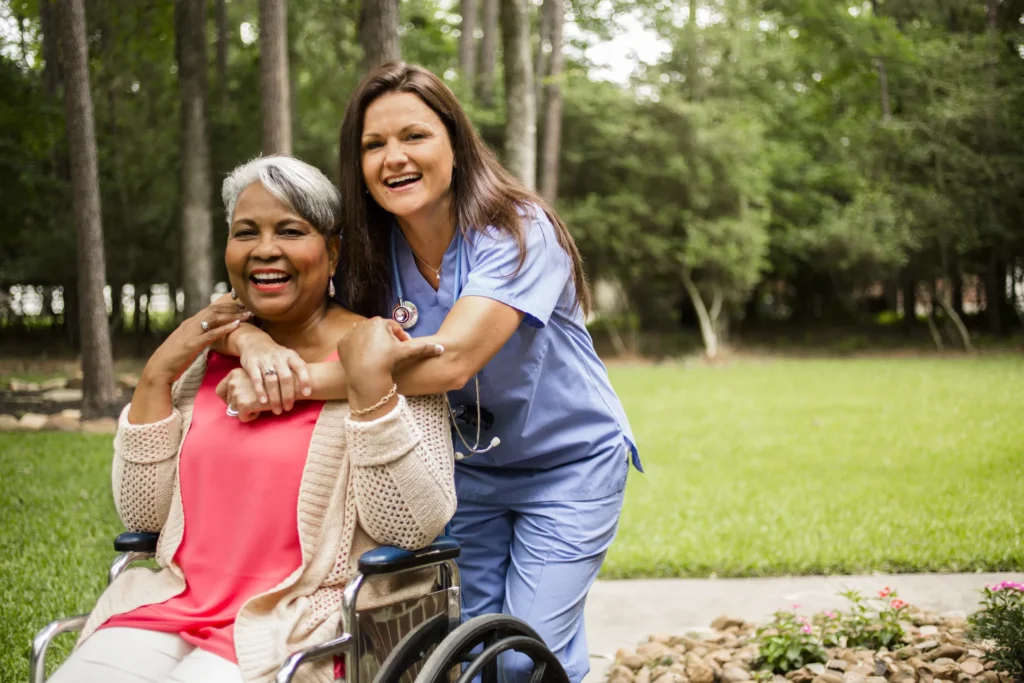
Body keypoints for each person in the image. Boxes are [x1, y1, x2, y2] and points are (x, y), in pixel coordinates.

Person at [217, 63, 642, 683]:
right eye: (373, 145)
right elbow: (261, 289)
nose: (394, 158)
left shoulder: (518, 230)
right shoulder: (369, 251)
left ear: (455, 143)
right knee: (467, 657)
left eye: (413, 136)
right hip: (462, 472)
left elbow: (453, 360)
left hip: (567, 467)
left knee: (525, 658)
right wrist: (251, 341)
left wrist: (296, 382)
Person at [49, 155, 456, 683]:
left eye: (290, 230)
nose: (265, 249)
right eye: (246, 232)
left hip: (302, 620)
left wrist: (372, 393)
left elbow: (411, 525)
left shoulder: (376, 352)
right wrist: (155, 378)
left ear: (332, 252)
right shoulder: (203, 361)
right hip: (175, 605)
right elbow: (145, 517)